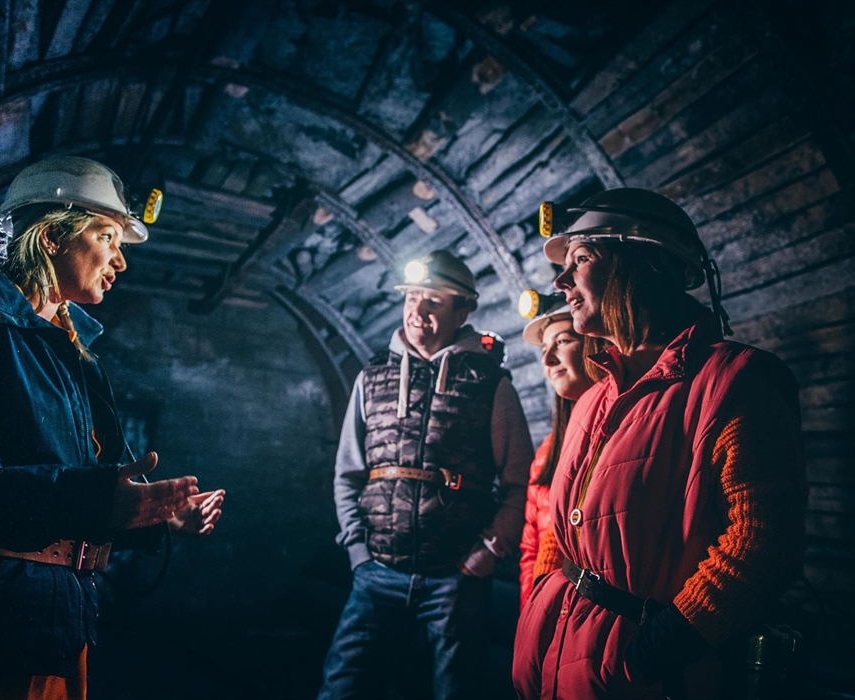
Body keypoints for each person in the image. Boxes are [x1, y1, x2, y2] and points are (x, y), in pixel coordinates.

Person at [0, 156, 224, 699]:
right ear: (51, 238)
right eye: (107, 237)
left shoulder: (78, 356)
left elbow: (94, 488)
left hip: (61, 618)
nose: (119, 262)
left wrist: (157, 516)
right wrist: (97, 498)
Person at [512, 189, 807, 699]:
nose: (561, 281)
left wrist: (654, 650)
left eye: (581, 259)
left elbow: (761, 542)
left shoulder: (735, 383)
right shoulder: (591, 401)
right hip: (553, 661)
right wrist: (536, 618)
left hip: (637, 677)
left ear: (641, 264)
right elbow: (559, 535)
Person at [318, 250, 534, 700]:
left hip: (454, 579)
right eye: (412, 298)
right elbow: (348, 473)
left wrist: (488, 553)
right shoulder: (371, 377)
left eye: (433, 301)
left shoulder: (491, 384)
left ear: (462, 312)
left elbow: (520, 482)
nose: (418, 312)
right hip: (377, 573)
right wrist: (358, 551)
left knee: (456, 692)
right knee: (342, 689)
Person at [517, 297, 595, 611]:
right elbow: (531, 546)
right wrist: (531, 610)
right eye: (543, 349)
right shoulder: (548, 450)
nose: (548, 359)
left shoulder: (622, 434)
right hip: (547, 608)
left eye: (562, 341)